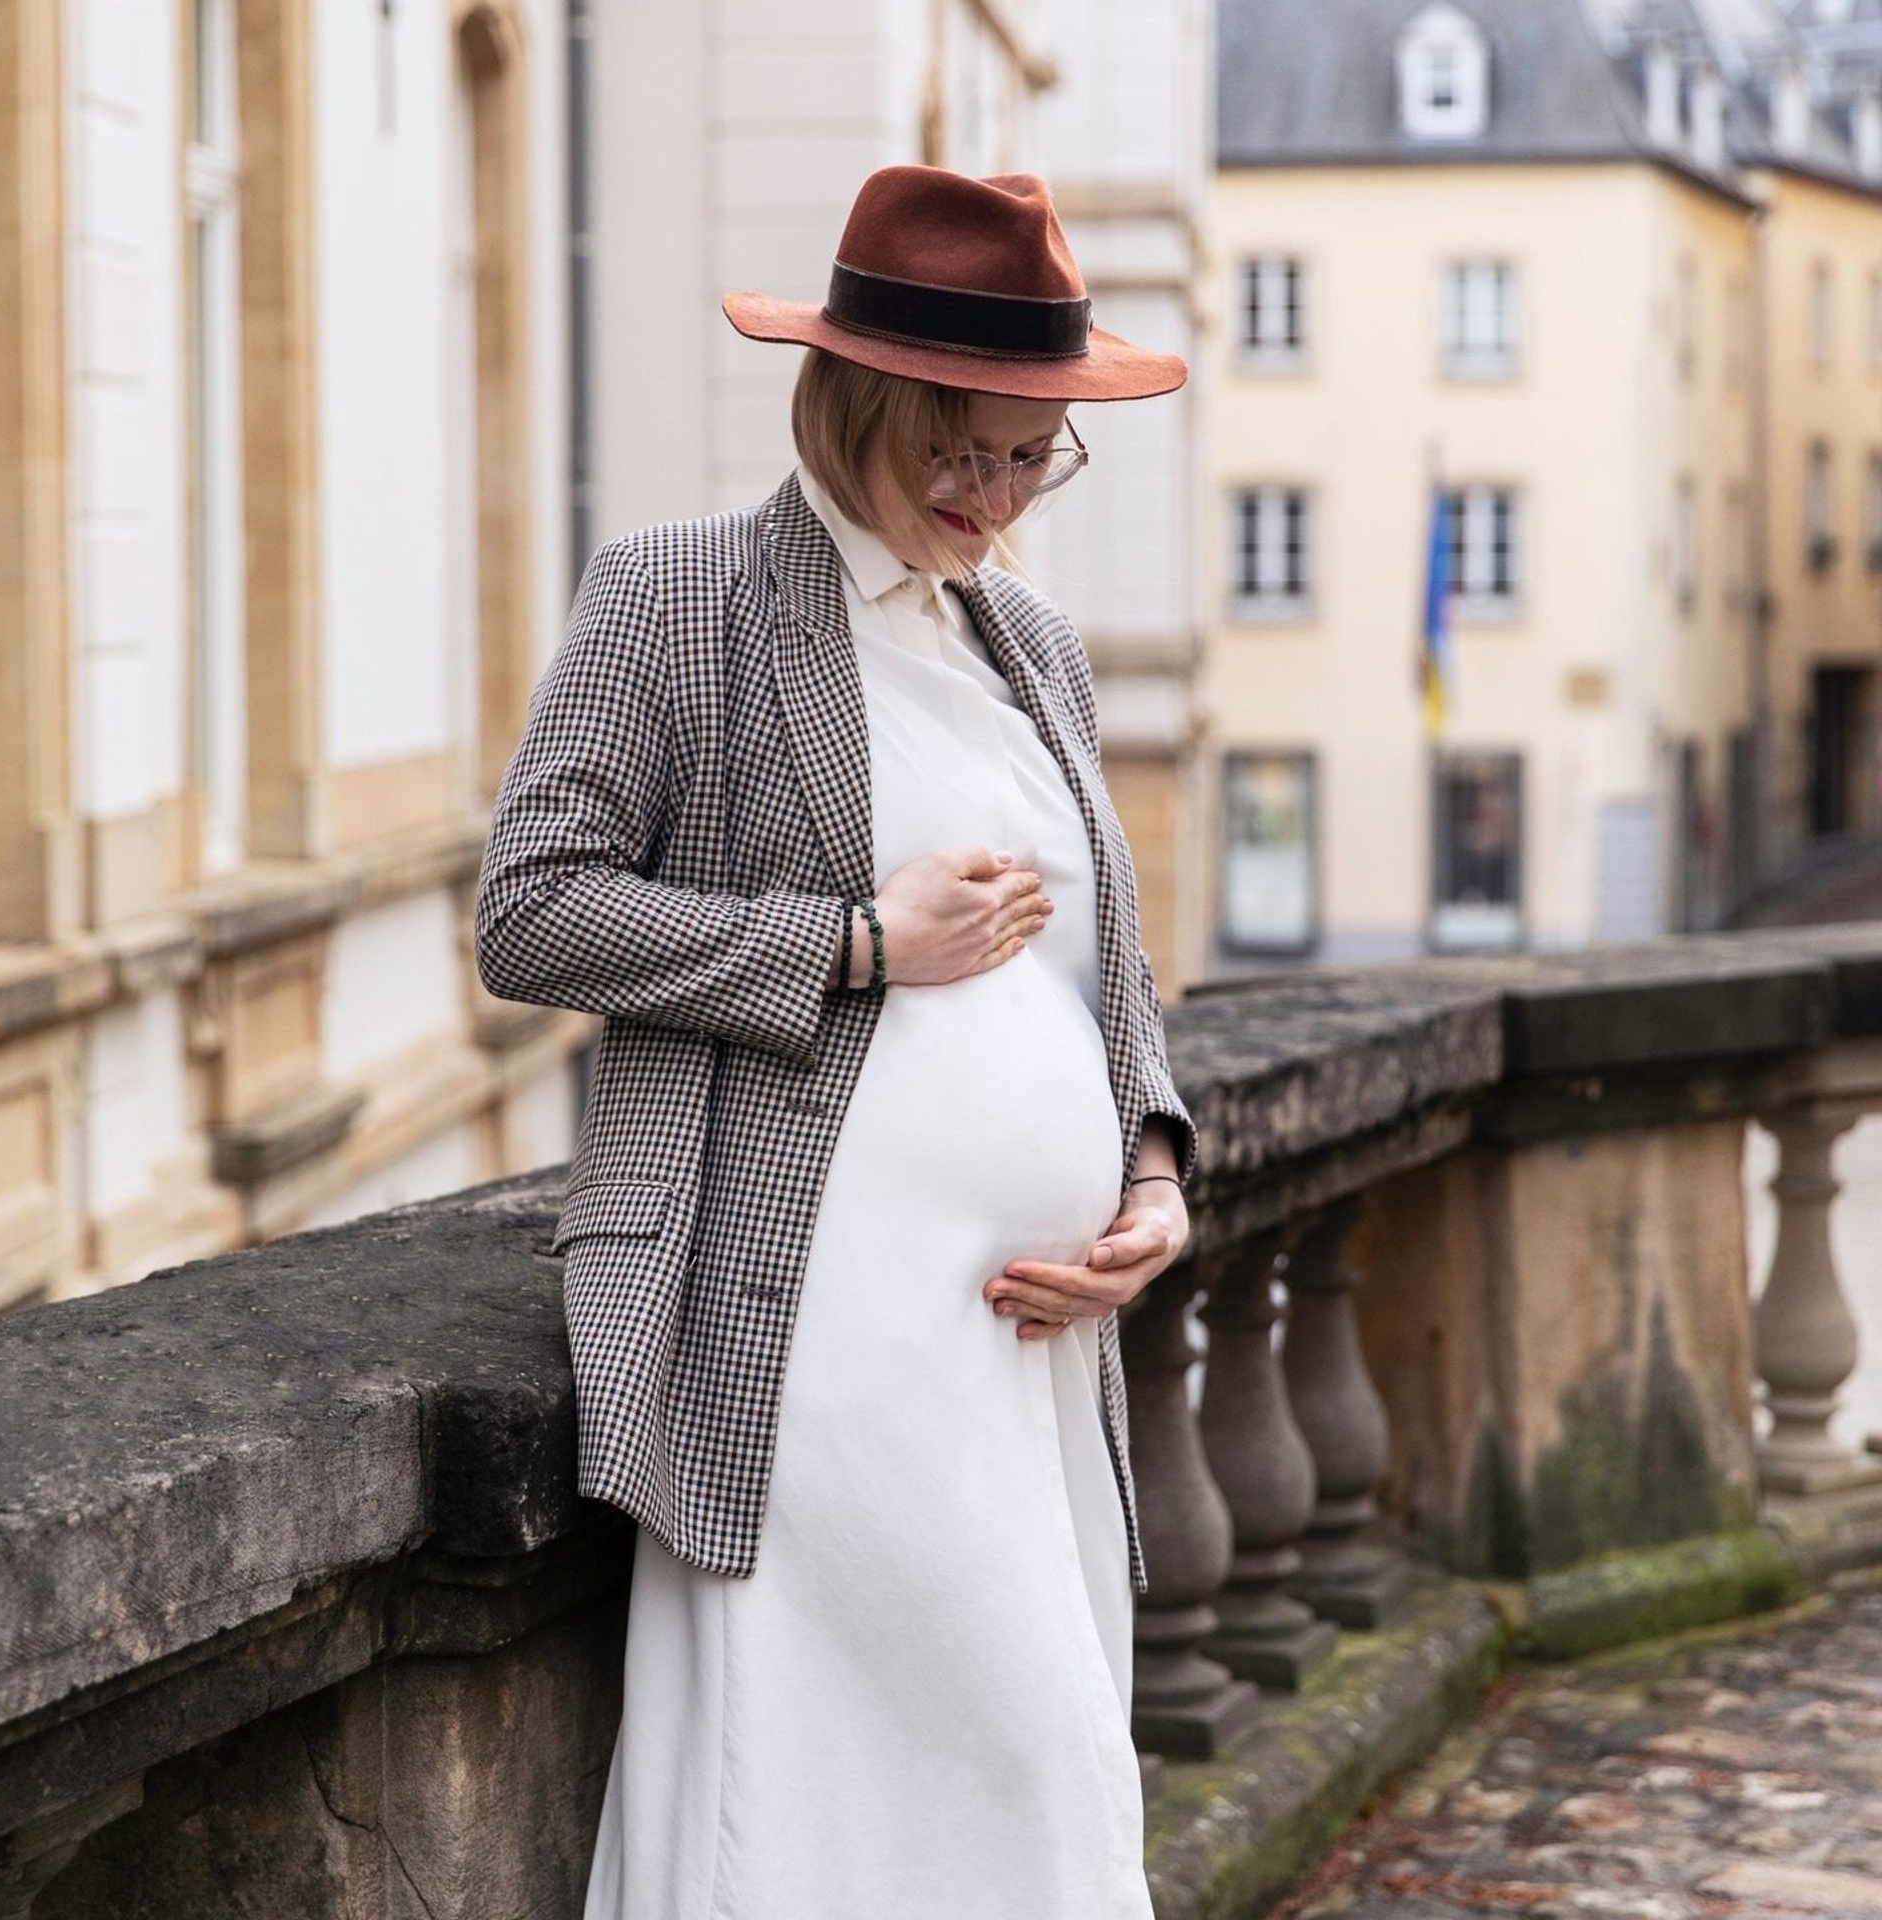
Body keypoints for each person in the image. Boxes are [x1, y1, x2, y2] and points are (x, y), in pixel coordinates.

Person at [475, 162, 1199, 1920]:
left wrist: (1157, 1171)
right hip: (803, 1326)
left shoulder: (1031, 638)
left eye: (1035, 453)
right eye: (959, 447)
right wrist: (862, 942)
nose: (996, 494)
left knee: (1043, 1781)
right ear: (852, 397)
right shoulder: (683, 600)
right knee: (894, 1783)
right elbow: (530, 909)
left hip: (1027, 1354)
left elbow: (1106, 971)